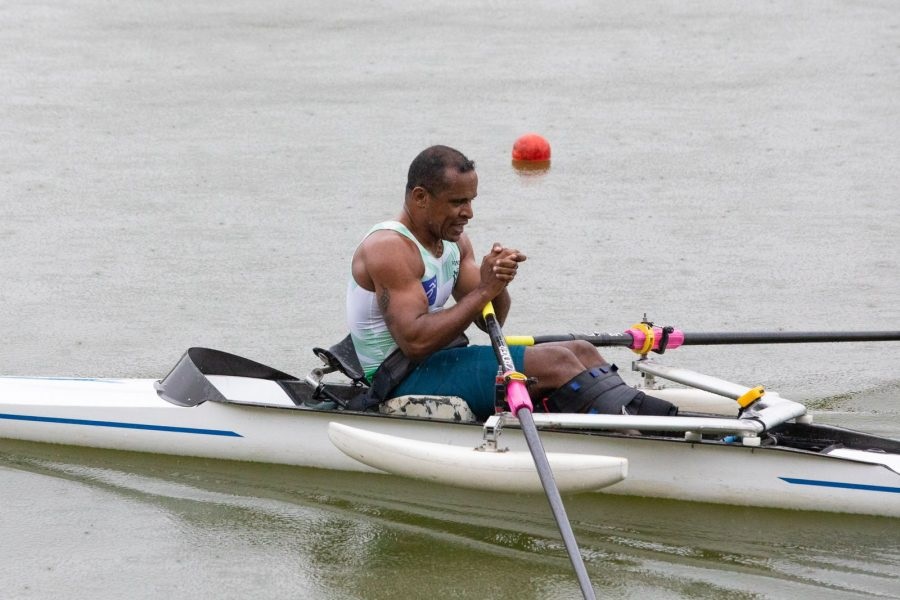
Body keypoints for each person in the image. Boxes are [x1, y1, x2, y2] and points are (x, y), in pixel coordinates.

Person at [347, 145, 676, 420]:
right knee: (557, 363)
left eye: (471, 200)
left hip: (441, 358)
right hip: (401, 376)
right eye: (458, 202)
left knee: (582, 350)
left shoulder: (454, 243)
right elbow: (415, 342)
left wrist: (499, 281)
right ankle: (635, 430)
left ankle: (646, 417)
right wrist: (484, 290)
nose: (469, 213)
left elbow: (489, 321)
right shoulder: (389, 248)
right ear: (421, 197)